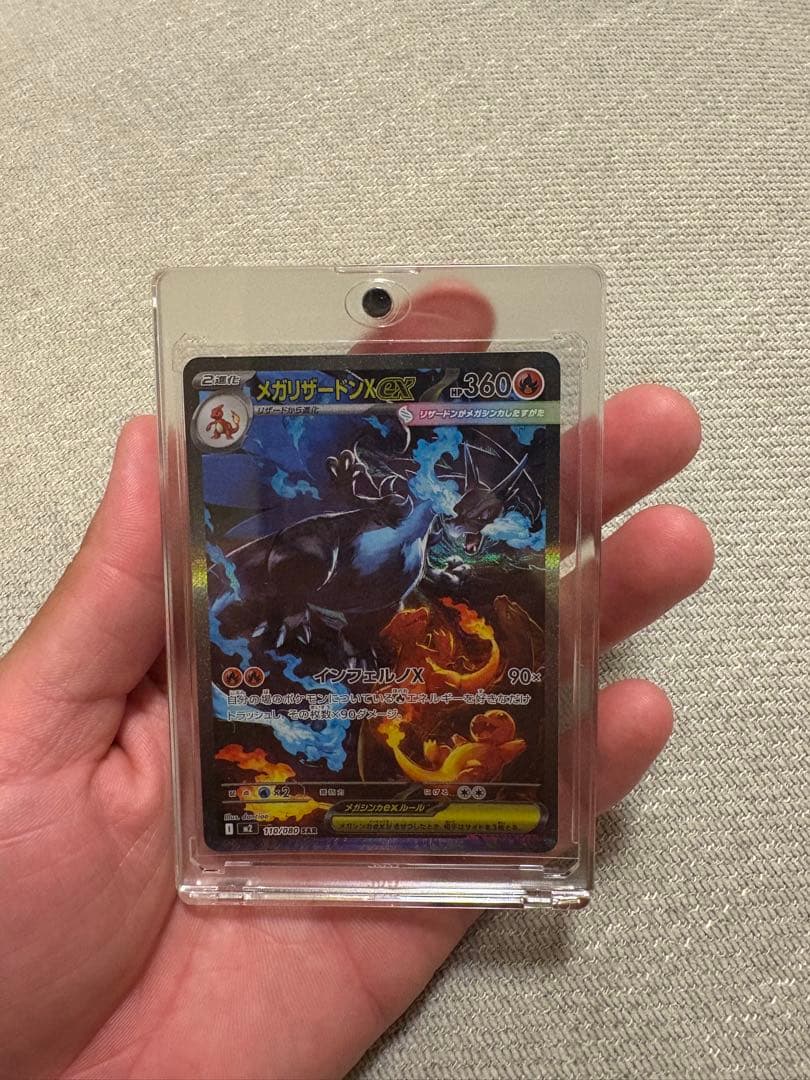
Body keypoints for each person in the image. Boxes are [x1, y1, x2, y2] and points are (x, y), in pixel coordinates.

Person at [0, 379, 712, 1078]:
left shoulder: (407, 551)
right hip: (270, 644)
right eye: (438, 482)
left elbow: (392, 585)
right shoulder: (331, 546)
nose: (446, 495)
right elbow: (263, 584)